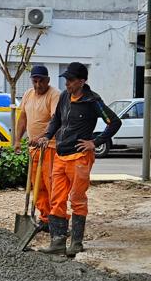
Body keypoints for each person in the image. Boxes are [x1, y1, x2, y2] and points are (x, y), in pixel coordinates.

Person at [37, 62, 122, 257]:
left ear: (82, 81)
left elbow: (114, 122)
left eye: (71, 80)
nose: (67, 83)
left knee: (76, 198)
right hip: (61, 154)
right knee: (56, 199)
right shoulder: (65, 97)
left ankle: (76, 242)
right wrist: (47, 136)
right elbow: (56, 119)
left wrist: (96, 141)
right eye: (66, 80)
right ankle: (57, 241)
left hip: (80, 157)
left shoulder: (93, 101)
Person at [13, 65, 60, 236]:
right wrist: (18, 140)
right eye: (35, 80)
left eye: (41, 80)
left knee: (50, 184)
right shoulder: (28, 94)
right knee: (37, 184)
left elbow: (56, 119)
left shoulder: (54, 95)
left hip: (50, 147)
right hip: (34, 148)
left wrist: (42, 137)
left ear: (48, 80)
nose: (38, 84)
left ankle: (56, 219)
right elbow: (23, 117)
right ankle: (45, 217)